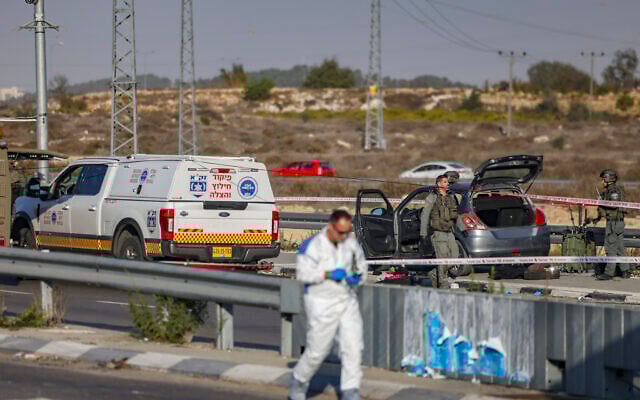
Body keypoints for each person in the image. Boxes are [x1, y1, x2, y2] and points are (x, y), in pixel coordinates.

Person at [289, 209, 367, 400]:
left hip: (347, 300)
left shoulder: (351, 243)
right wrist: (327, 274)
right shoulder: (313, 245)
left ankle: (350, 390)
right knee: (317, 352)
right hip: (321, 302)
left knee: (353, 346)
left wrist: (357, 278)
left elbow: (362, 268)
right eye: (341, 232)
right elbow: (303, 274)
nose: (344, 236)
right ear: (331, 227)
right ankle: (298, 381)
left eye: (347, 232)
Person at [419, 174, 459, 288]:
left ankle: (434, 273)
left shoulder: (450, 197)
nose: (448, 184)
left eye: (448, 182)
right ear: (439, 184)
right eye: (445, 182)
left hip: (449, 232)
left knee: (455, 256)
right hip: (438, 233)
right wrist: (423, 234)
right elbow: (425, 216)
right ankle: (443, 283)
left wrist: (463, 228)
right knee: (442, 259)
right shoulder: (431, 198)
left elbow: (456, 215)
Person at [593, 169, 630, 280]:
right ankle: (625, 271)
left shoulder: (613, 191)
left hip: (613, 222)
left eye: (604, 178)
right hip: (616, 222)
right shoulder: (610, 190)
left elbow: (614, 205)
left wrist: (601, 202)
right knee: (619, 248)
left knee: (610, 247)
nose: (602, 181)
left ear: (609, 179)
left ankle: (609, 273)